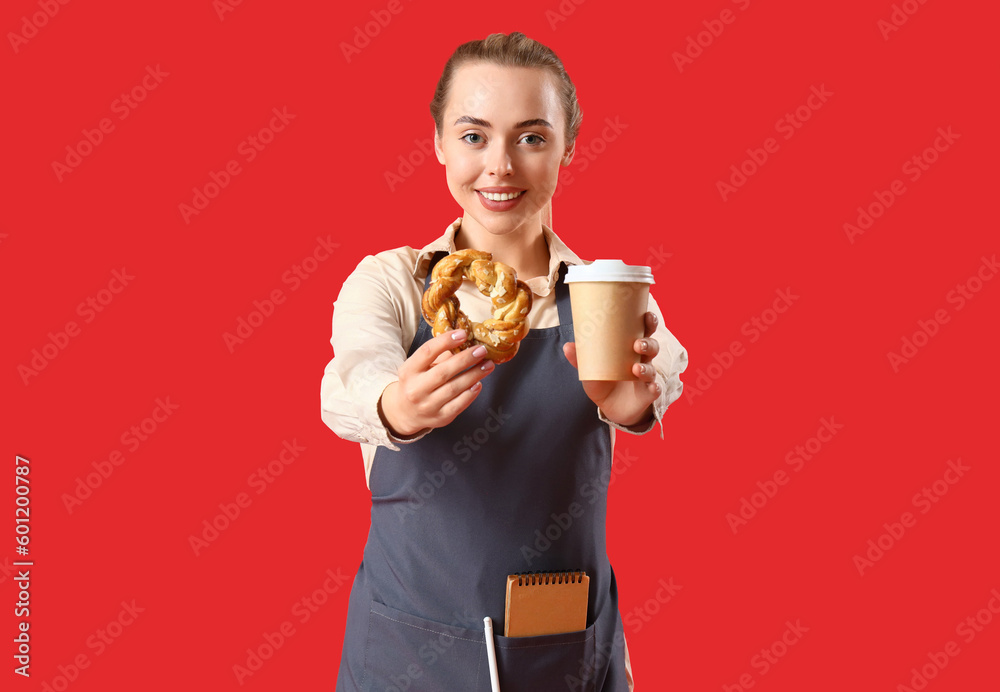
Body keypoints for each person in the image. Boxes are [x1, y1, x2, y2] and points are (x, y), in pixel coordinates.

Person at [321, 31, 688, 691]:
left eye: (531, 137)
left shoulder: (605, 293)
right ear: (437, 142)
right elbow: (347, 383)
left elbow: (667, 361)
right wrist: (396, 405)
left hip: (566, 658)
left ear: (568, 147)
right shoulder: (395, 283)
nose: (499, 166)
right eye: (473, 136)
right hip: (409, 659)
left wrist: (641, 398)